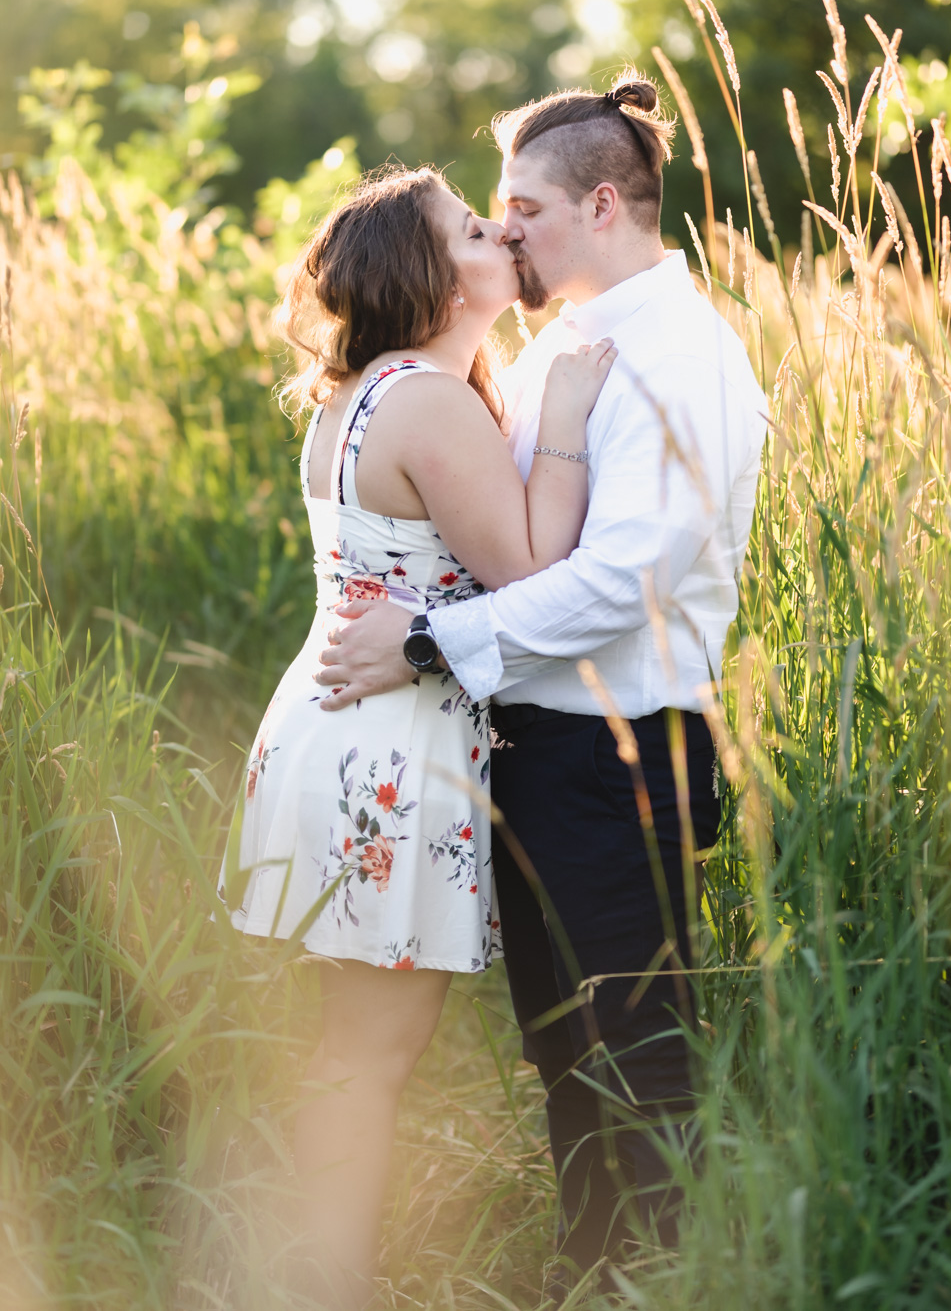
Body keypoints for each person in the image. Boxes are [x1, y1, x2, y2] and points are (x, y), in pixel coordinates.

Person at [314, 75, 768, 1285]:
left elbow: (621, 581)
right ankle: (588, 1265)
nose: (503, 230)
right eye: (495, 210)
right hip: (531, 747)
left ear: (602, 202)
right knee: (565, 1044)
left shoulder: (686, 358)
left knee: (637, 1045)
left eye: (522, 206)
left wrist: (422, 641)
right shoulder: (563, 341)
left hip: (622, 747)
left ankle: (654, 1277)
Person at [216, 164, 617, 1308]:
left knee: (353, 1046)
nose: (500, 232)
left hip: (335, 730)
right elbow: (529, 571)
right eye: (473, 227)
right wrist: (574, 420)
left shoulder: (361, 393)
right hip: (390, 750)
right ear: (440, 286)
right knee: (371, 1055)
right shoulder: (429, 400)